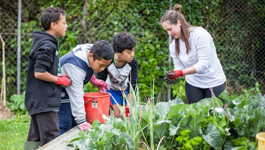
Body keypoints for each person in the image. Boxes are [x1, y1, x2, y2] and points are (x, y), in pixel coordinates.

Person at [24, 7, 71, 149]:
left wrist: (57, 75)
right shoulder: (47, 45)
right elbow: (39, 72)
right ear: (53, 24)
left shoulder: (45, 42)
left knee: (35, 137)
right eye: (64, 23)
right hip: (44, 100)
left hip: (38, 99)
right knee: (52, 138)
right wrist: (59, 80)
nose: (66, 26)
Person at [160, 4, 226, 104]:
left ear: (179, 23)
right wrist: (173, 74)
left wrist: (180, 73)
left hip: (213, 81)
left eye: (170, 29)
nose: (169, 34)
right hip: (193, 84)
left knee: (216, 117)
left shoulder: (200, 35)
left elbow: (204, 64)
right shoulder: (173, 45)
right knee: (195, 118)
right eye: (166, 31)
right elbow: (179, 67)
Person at [58, 41, 114, 134]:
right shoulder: (74, 65)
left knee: (74, 125)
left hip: (68, 93)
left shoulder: (91, 50)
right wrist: (81, 120)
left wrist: (93, 79)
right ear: (91, 56)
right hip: (57, 95)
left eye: (106, 66)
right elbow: (77, 94)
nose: (103, 69)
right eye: (101, 65)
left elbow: (88, 65)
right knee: (65, 126)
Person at [97, 32, 138, 118]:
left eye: (133, 51)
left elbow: (133, 85)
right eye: (129, 52)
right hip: (111, 90)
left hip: (126, 91)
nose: (132, 55)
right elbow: (101, 79)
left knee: (128, 114)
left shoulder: (133, 63)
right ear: (118, 52)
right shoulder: (108, 60)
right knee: (116, 114)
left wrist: (128, 108)